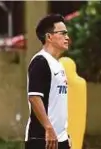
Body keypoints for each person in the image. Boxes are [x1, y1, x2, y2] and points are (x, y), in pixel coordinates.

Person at [25, 14, 71, 149]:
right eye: (62, 33)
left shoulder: (58, 64)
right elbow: (34, 97)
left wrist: (65, 136)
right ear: (49, 37)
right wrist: (48, 128)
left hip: (59, 138)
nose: (67, 37)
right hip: (43, 138)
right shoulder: (40, 62)